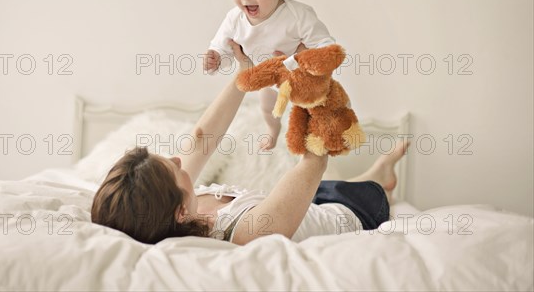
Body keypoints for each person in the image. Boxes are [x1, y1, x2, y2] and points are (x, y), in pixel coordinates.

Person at [91, 40, 409, 245]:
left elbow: (202, 136)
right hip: (352, 212)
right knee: (362, 190)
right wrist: (314, 103)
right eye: (174, 169)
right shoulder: (242, 233)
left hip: (304, 202)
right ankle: (382, 184)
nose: (177, 160)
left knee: (330, 188)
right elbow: (314, 162)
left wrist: (244, 75)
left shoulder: (176, 205)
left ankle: (380, 174)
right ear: (178, 212)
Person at [204, 0, 336, 150]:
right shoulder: (234, 19)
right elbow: (224, 48)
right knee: (267, 108)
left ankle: (324, 137)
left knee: (315, 112)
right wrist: (215, 59)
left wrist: (300, 60)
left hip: (304, 80)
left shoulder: (298, 15)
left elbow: (326, 46)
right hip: (270, 79)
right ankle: (273, 132)